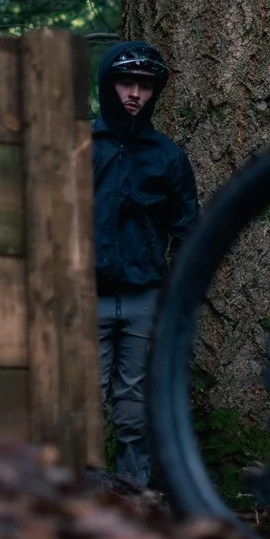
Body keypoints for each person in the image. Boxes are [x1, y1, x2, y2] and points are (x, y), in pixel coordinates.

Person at [92, 39, 199, 485]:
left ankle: (133, 491)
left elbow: (189, 229)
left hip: (144, 296)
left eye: (144, 86)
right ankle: (74, 490)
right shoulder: (83, 147)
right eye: (125, 83)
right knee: (82, 394)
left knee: (135, 401)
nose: (134, 94)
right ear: (108, 85)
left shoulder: (169, 157)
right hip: (86, 294)